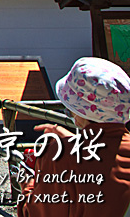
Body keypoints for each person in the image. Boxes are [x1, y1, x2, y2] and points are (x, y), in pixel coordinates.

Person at [18, 57, 130, 217]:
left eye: (69, 109)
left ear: (81, 112)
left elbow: (40, 213)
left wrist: (28, 185)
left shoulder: (61, 155)